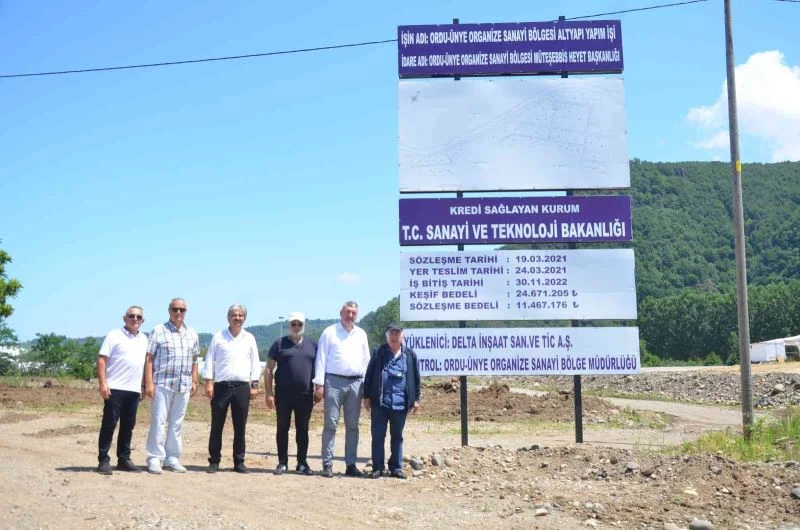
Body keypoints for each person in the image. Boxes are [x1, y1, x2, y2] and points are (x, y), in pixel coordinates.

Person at [313, 301, 370, 478]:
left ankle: (351, 464)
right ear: (341, 312)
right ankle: (327, 464)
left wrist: (366, 386)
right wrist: (319, 384)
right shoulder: (329, 332)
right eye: (347, 312)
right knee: (331, 424)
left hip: (356, 383)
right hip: (333, 382)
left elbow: (366, 361)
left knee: (353, 426)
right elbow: (321, 358)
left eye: (353, 313)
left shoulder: (361, 334)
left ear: (357, 315)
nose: (350, 315)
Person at [202, 304, 261, 474]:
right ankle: (214, 461)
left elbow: (255, 363)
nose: (237, 318)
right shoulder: (218, 337)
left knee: (240, 426)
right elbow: (209, 360)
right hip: (221, 387)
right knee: (217, 424)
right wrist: (208, 382)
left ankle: (239, 461)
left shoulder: (249, 338)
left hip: (242, 387)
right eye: (234, 315)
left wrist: (254, 385)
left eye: (240, 315)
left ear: (244, 318)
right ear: (228, 317)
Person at [143, 298, 199, 474]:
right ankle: (155, 458)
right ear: (169, 311)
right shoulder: (159, 331)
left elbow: (195, 360)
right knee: (159, 422)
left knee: (176, 423)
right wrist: (149, 383)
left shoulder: (192, 333)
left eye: (182, 309)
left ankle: (172, 458)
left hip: (183, 385)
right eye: (175, 309)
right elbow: (149, 358)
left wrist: (194, 380)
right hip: (162, 384)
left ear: (186, 312)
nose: (178, 312)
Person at [96, 305, 149, 475]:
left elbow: (144, 365)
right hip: (115, 388)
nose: (135, 319)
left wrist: (143, 386)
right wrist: (103, 383)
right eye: (131, 316)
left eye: (138, 317)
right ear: (124, 318)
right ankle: (103, 460)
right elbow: (102, 360)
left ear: (142, 321)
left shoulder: (144, 339)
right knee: (109, 425)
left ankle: (124, 459)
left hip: (133, 390)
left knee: (128, 426)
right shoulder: (114, 335)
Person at [363, 323, 421, 479]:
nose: (394, 336)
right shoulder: (378, 353)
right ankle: (377, 467)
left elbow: (416, 378)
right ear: (387, 336)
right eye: (392, 333)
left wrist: (416, 399)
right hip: (380, 403)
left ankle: (396, 467)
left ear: (402, 336)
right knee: (378, 436)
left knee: (397, 437)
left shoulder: (410, 355)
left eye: (397, 333)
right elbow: (369, 375)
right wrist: (366, 396)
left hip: (401, 404)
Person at [265, 311, 317, 476]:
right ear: (289, 326)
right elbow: (268, 369)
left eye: (299, 324)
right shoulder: (279, 344)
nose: (296, 327)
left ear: (304, 325)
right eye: (293, 324)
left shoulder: (312, 345)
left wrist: (320, 388)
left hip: (305, 395)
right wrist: (269, 393)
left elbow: (320, 368)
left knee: (303, 429)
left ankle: (302, 463)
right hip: (283, 395)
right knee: (282, 428)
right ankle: (282, 463)